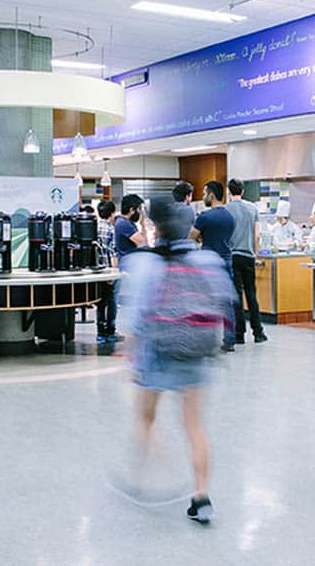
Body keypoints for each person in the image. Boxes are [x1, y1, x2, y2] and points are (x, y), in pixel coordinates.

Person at [117, 194, 233, 523]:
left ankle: (150, 475)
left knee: (145, 417)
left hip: (158, 351)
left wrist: (130, 349)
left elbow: (139, 315)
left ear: (156, 228)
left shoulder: (144, 263)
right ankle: (201, 496)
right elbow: (224, 302)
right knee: (195, 425)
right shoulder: (207, 260)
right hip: (197, 351)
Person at [190, 181, 237, 352]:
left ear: (211, 195)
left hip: (208, 261)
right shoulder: (229, 217)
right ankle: (230, 340)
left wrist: (200, 237)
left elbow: (191, 237)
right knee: (226, 303)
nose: (203, 197)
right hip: (226, 259)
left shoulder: (204, 217)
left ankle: (204, 339)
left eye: (204, 193)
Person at [225, 178, 267, 344]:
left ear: (229, 191)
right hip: (248, 256)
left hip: (232, 256)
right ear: (242, 191)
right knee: (251, 295)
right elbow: (257, 235)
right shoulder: (253, 208)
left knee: (236, 296)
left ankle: (239, 334)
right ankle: (258, 332)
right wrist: (255, 254)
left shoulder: (225, 210)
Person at [96, 200, 119, 343]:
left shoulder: (93, 228)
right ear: (112, 213)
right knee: (111, 301)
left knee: (100, 302)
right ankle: (110, 332)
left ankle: (100, 332)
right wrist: (113, 273)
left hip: (95, 272)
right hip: (107, 270)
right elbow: (113, 253)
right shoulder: (111, 230)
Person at [114, 194, 147, 264]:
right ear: (131, 210)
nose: (140, 212)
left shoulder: (124, 222)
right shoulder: (124, 224)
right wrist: (143, 224)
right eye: (139, 209)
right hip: (129, 265)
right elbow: (143, 244)